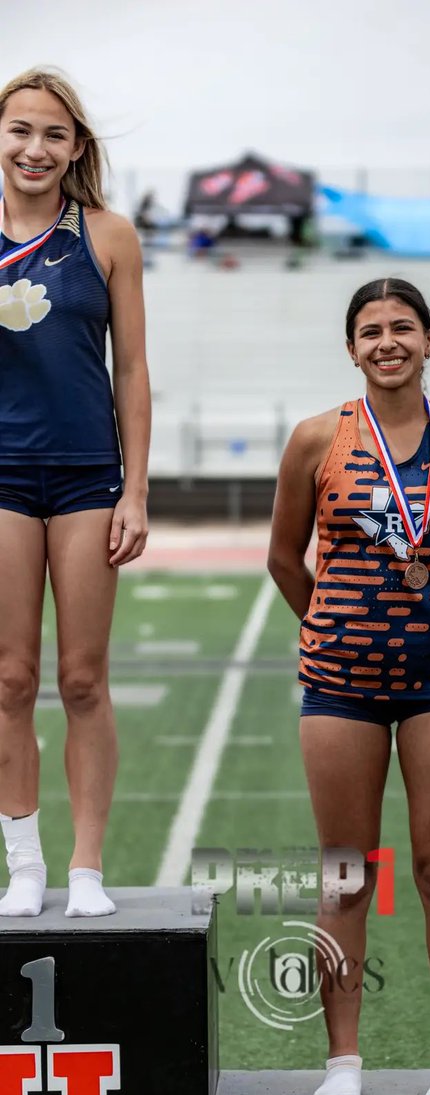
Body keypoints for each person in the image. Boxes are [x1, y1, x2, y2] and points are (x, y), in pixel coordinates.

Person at [267, 277, 430, 1095]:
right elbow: (282, 558)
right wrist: (327, 627)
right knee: (345, 877)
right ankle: (343, 1063)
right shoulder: (316, 440)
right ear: (351, 348)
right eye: (371, 331)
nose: (387, 343)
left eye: (402, 328)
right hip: (339, 690)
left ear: (429, 339)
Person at [0, 69, 150, 919]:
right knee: (10, 679)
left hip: (89, 477)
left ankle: (86, 869)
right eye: (20, 130)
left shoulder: (109, 236)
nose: (35, 148)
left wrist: (135, 491)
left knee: (83, 679)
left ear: (77, 147)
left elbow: (131, 369)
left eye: (54, 134)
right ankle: (25, 865)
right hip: (3, 481)